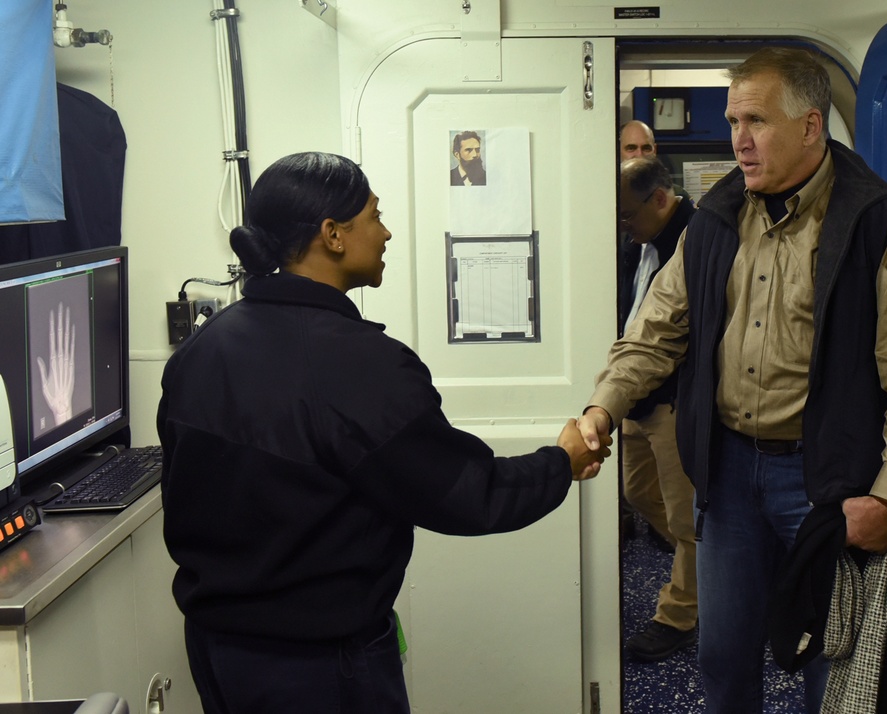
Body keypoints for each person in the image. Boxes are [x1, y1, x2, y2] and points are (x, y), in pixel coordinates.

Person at [157, 151, 610, 713]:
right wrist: (562, 459)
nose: (387, 231)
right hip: (320, 669)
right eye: (374, 215)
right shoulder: (361, 365)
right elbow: (469, 494)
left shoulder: (201, 351)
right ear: (333, 234)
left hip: (217, 653)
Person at [581, 47, 887, 713]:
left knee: (829, 658)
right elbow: (656, 330)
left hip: (826, 482)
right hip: (727, 476)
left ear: (811, 126)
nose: (739, 141)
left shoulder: (878, 222)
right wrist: (602, 408)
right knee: (722, 658)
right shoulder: (719, 221)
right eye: (733, 121)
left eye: (756, 121)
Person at [616, 157, 699, 662]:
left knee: (686, 521)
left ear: (661, 199)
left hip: (674, 399)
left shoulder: (697, 237)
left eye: (628, 214)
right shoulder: (639, 244)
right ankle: (706, 571)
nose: (623, 225)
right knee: (636, 492)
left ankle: (679, 614)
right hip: (635, 395)